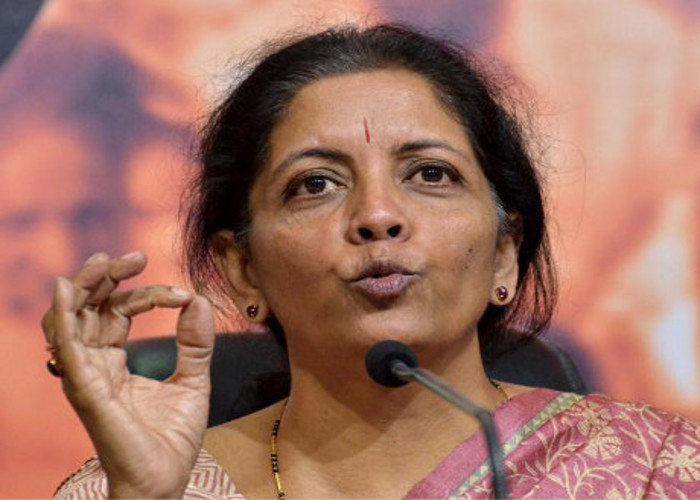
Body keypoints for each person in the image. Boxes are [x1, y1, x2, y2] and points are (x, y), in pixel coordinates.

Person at [43, 25, 699, 499]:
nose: (378, 215)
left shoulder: (654, 472)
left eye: (430, 173)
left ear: (505, 251)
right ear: (243, 269)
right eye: (315, 184)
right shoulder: (130, 488)